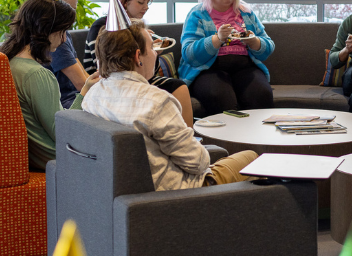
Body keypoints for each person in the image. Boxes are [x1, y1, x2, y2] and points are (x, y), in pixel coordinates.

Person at [83, 19, 258, 190]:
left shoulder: (93, 95)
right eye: (152, 47)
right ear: (138, 57)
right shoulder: (156, 101)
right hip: (177, 195)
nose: (156, 53)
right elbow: (198, 163)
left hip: (125, 194)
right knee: (252, 158)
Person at [0, 0, 100, 171]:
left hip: (36, 156)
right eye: (61, 32)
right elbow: (61, 131)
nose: (62, 40)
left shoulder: (10, 61)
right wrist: (85, 92)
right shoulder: (37, 74)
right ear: (45, 30)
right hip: (54, 157)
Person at [83, 0, 195, 127]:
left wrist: (152, 52)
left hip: (135, 74)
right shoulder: (103, 27)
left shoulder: (138, 29)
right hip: (107, 78)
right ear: (125, 2)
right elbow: (103, 63)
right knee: (178, 87)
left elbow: (146, 71)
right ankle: (187, 134)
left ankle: (187, 132)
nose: (146, 7)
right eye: (141, 2)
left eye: (148, 3)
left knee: (179, 86)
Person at [179, 0, 275, 115]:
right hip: (209, 69)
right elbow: (189, 54)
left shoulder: (245, 12)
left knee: (262, 95)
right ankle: (228, 140)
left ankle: (256, 139)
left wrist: (253, 41)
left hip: (244, 67)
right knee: (221, 98)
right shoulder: (198, 14)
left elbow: (269, 46)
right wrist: (217, 39)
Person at [34, 0, 88, 109]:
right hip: (67, 105)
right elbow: (82, 84)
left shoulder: (62, 31)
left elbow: (84, 76)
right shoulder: (54, 36)